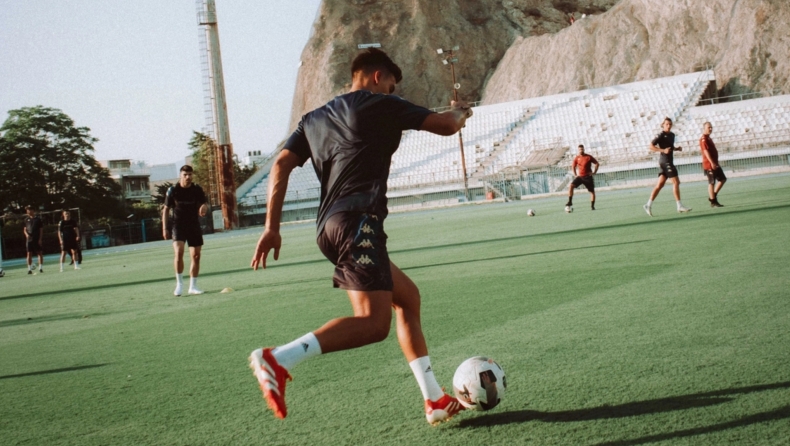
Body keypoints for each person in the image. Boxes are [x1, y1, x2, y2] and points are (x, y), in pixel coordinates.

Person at [249, 48, 473, 424]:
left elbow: (282, 163)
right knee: (372, 323)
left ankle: (434, 399)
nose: (392, 91)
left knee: (408, 298)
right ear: (375, 77)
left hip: (330, 226)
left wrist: (272, 226)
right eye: (391, 84)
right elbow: (447, 125)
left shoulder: (313, 119)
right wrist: (461, 112)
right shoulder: (381, 104)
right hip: (358, 223)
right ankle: (278, 358)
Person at [162, 165, 208, 296]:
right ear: (180, 175)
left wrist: (204, 207)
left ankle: (193, 286)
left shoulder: (197, 189)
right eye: (185, 175)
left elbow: (204, 203)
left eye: (190, 175)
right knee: (179, 252)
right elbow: (166, 209)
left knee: (196, 256)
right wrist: (164, 228)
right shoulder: (173, 190)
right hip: (178, 225)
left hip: (193, 225)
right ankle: (179, 285)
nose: (188, 177)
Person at [643, 117, 691, 216]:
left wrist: (676, 149)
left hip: (666, 162)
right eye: (667, 124)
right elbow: (651, 146)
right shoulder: (660, 135)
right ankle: (679, 206)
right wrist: (663, 150)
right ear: (663, 125)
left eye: (670, 124)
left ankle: (648, 204)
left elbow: (670, 147)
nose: (668, 126)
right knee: (676, 182)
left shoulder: (672, 135)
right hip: (665, 161)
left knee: (660, 185)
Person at [700, 122, 726, 207]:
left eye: (711, 127)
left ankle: (713, 196)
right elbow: (705, 151)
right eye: (708, 127)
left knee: (722, 179)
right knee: (711, 182)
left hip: (715, 163)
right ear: (704, 128)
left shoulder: (708, 138)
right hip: (709, 164)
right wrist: (712, 162)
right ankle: (713, 201)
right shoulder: (703, 139)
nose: (710, 129)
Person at [565, 144, 599, 211]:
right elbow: (573, 166)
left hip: (588, 177)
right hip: (580, 177)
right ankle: (570, 201)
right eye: (580, 149)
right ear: (578, 150)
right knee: (571, 186)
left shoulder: (588, 157)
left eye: (582, 149)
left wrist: (594, 172)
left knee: (592, 192)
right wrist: (575, 174)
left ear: (584, 149)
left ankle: (592, 206)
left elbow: (597, 164)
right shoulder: (577, 158)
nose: (581, 150)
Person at [24, 205, 44, 274]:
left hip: (36, 238)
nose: (28, 211)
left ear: (33, 210)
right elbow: (24, 229)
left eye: (30, 210)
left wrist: (40, 239)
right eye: (27, 210)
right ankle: (29, 269)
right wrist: (26, 235)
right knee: (29, 253)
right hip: (29, 239)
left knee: (39, 252)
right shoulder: (26, 219)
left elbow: (41, 230)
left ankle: (40, 268)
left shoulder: (38, 219)